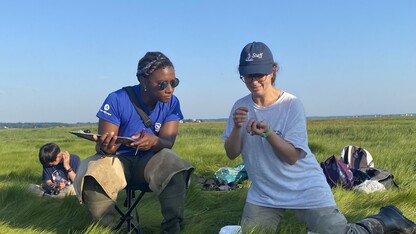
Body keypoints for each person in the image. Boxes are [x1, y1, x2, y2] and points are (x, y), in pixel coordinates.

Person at [222, 41, 416, 233]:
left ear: (273, 70)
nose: (254, 81)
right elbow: (231, 153)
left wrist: (268, 133)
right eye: (247, 75)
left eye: (259, 74)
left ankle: (385, 219)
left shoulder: (290, 104)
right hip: (264, 194)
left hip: (305, 187)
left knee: (340, 233)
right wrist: (237, 127)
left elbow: (291, 157)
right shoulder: (240, 106)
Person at [74, 51, 194, 234]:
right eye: (162, 84)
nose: (170, 89)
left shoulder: (172, 103)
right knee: (94, 174)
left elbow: (168, 141)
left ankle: (172, 229)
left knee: (174, 165)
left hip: (149, 161)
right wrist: (106, 146)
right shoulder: (117, 99)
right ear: (143, 81)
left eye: (174, 82)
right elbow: (106, 145)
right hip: (118, 160)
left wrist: (155, 141)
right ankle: (108, 230)